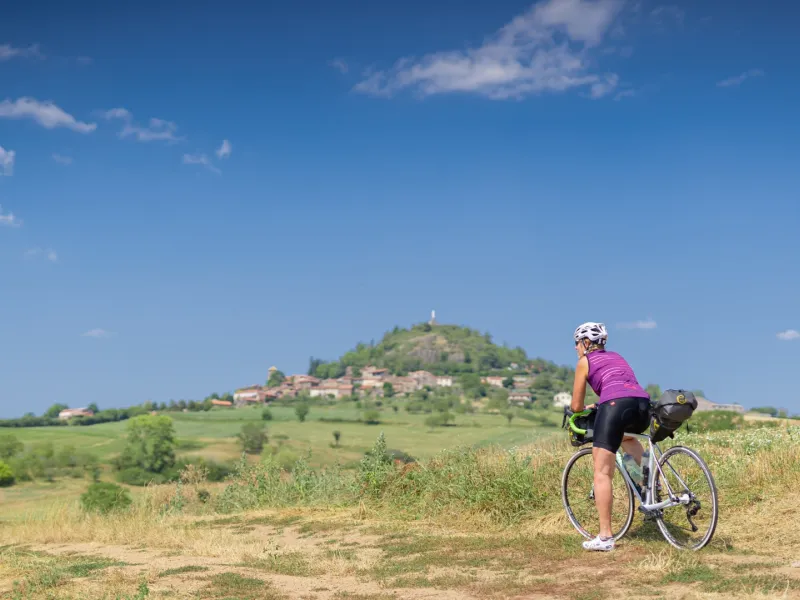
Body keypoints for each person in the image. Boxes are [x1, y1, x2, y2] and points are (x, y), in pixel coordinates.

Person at [570, 321, 651, 551]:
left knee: (602, 472)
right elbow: (622, 384)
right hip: (642, 406)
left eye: (576, 343)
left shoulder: (584, 362)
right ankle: (650, 494)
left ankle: (605, 537)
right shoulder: (617, 357)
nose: (576, 348)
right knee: (628, 440)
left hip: (615, 405)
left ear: (586, 342)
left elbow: (576, 406)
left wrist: (587, 407)